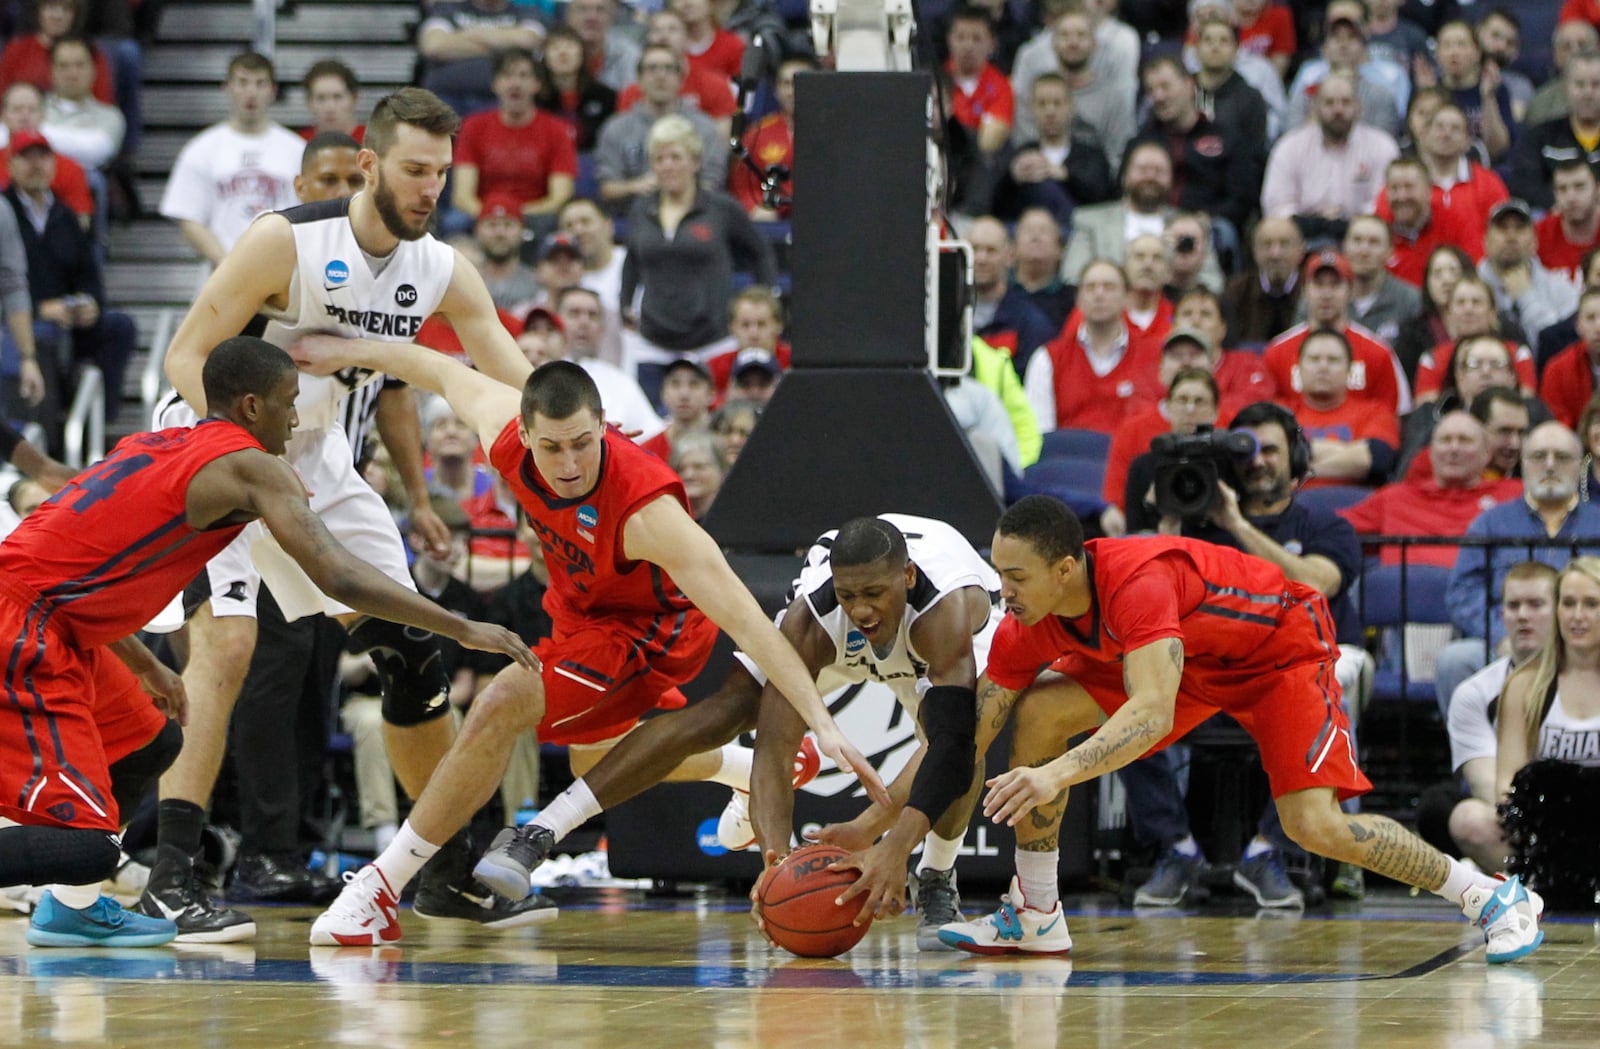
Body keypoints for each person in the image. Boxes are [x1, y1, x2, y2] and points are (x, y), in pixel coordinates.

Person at [286, 352, 886, 945]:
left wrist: (818, 716)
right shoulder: (504, 430)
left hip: (651, 630)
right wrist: (349, 348)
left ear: (603, 426)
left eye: (582, 442)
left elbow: (753, 625)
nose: (569, 463)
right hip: (581, 611)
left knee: (505, 698)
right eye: (552, 447)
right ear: (523, 434)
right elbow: (440, 370)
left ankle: (379, 886)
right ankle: (747, 767)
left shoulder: (649, 512)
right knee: (591, 761)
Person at [143, 87, 547, 942]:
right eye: (412, 169)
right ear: (369, 164)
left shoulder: (441, 267)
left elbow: (516, 382)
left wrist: (588, 437)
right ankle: (169, 876)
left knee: (412, 650)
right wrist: (242, 453)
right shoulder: (283, 240)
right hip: (215, 446)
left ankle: (442, 867)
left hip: (317, 454)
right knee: (229, 646)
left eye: (441, 172)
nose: (429, 187)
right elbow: (186, 355)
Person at [0, 336, 533, 947]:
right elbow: (339, 573)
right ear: (251, 407)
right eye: (289, 401)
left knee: (153, 744)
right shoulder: (249, 465)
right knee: (87, 849)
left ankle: (72, 910)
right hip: (23, 630)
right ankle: (75, 884)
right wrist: (462, 626)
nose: (298, 417)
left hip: (58, 620)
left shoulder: (151, 444)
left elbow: (70, 575)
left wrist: (148, 665)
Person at [932, 495, 1545, 966]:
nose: (1002, 591)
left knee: (1315, 825)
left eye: (1015, 576)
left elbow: (1151, 714)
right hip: (1197, 663)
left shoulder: (1137, 583)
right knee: (1039, 712)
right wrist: (889, 838)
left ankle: (1488, 896)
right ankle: (1036, 910)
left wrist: (1054, 774)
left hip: (1282, 651)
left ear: (1065, 569)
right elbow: (963, 746)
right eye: (998, 572)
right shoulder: (1026, 621)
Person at [1123, 403, 1371, 907]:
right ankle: (1176, 848)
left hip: (1300, 666)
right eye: (1249, 451)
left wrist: (1236, 524)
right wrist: (1169, 522)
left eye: (1271, 450)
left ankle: (1270, 852)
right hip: (1212, 668)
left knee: (1346, 668)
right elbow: (1148, 595)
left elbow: (1316, 585)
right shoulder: (1196, 521)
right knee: (1118, 682)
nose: (1258, 462)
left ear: (1296, 456)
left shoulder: (1325, 525)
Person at [1435, 423, 1600, 717]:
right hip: (1507, 641)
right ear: (1523, 464)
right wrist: (1503, 636)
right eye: (1538, 456)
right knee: (1455, 659)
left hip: (1588, 645)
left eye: (1561, 457)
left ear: (1579, 465)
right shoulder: (1489, 524)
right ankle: (1473, 758)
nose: (1549, 465)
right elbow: (1463, 592)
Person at [619, 114, 776, 404]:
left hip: (712, 342)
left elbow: (760, 251)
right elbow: (632, 260)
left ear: (695, 161)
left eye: (675, 157)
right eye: (660, 158)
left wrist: (766, 297)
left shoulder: (721, 208)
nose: (667, 165)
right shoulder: (641, 209)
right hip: (652, 341)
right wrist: (624, 302)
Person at [4, 129, 135, 421]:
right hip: (16, 322)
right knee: (41, 335)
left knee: (118, 327)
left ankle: (98, 426)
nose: (36, 164)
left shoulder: (65, 215)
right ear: (11, 164)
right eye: (27, 158)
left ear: (54, 163)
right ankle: (45, 436)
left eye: (43, 157)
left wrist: (90, 305)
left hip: (68, 319)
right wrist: (39, 309)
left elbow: (89, 273)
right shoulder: (3, 212)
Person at [1442, 562, 1558, 875]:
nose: (1522, 615)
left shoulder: (1587, 680)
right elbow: (1488, 786)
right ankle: (1539, 883)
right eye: (1513, 605)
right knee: (1469, 819)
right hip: (1527, 817)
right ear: (1501, 614)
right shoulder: (1474, 693)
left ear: (1560, 611)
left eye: (1536, 605)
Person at [157, 51, 304, 268]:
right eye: (243, 82)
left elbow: (308, 217)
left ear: (273, 90)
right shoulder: (201, 149)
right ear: (227, 87)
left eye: (260, 83)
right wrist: (226, 263)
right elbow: (189, 219)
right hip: (221, 274)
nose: (251, 92)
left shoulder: (297, 149)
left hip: (283, 272)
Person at [1339, 410, 1522, 567]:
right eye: (1445, 440)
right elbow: (1333, 529)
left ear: (1487, 454)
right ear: (1431, 452)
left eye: (1465, 440)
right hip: (1403, 602)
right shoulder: (1395, 497)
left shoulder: (1514, 494)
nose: (1454, 448)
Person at [1260, 71, 1398, 242]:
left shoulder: (1382, 146)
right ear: (1314, 108)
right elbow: (1277, 207)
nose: (1338, 110)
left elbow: (1385, 204)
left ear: (1359, 108)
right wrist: (1319, 222)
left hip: (1363, 237)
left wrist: (1346, 224)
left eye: (1346, 102)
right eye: (1329, 103)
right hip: (1304, 236)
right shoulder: (1289, 147)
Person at [451, 48, 577, 226]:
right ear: (495, 84)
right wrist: (495, 216)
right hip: (483, 214)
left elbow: (559, 198)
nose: (515, 83)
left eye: (523, 76)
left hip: (535, 216)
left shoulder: (557, 130)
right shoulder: (473, 126)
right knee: (454, 223)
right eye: (507, 76)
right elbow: (462, 197)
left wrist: (511, 215)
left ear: (537, 84)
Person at [1224, 216, 1305, 347]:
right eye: (1267, 244)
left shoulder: (1310, 289)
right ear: (1254, 250)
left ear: (1301, 250)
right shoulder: (1237, 290)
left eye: (1284, 244)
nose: (1275, 254)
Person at [535, 24, 616, 153]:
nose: (563, 53)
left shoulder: (607, 97)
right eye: (555, 47)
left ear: (582, 54)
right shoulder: (534, 99)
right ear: (544, 57)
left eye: (570, 46)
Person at [299, 59, 363, 141]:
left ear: (354, 99)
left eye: (337, 97)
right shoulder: (298, 144)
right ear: (309, 102)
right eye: (321, 98)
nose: (330, 108)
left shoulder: (375, 145)